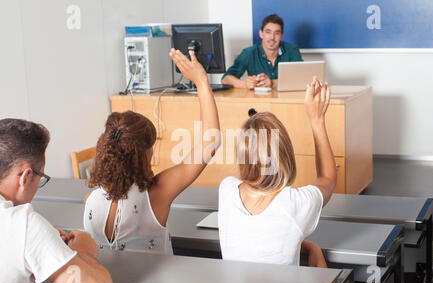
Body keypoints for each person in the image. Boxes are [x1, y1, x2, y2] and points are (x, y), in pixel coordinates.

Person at [83, 49, 221, 252]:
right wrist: (201, 82)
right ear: (144, 155)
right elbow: (212, 140)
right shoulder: (157, 194)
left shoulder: (90, 201)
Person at [218, 77, 336, 266]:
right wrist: (317, 119)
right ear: (285, 154)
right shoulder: (297, 203)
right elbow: (327, 177)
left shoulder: (226, 189)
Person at [0, 119, 114, 283]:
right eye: (41, 176)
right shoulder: (25, 225)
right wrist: (85, 251)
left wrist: (45, 239)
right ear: (26, 176)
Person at [221, 14, 303, 89]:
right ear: (261, 34)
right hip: (259, 102)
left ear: (282, 35)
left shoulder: (292, 50)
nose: (272, 37)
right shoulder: (249, 53)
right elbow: (226, 79)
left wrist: (272, 83)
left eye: (277, 33)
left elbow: (303, 79)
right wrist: (245, 84)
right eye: (268, 32)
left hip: (285, 101)